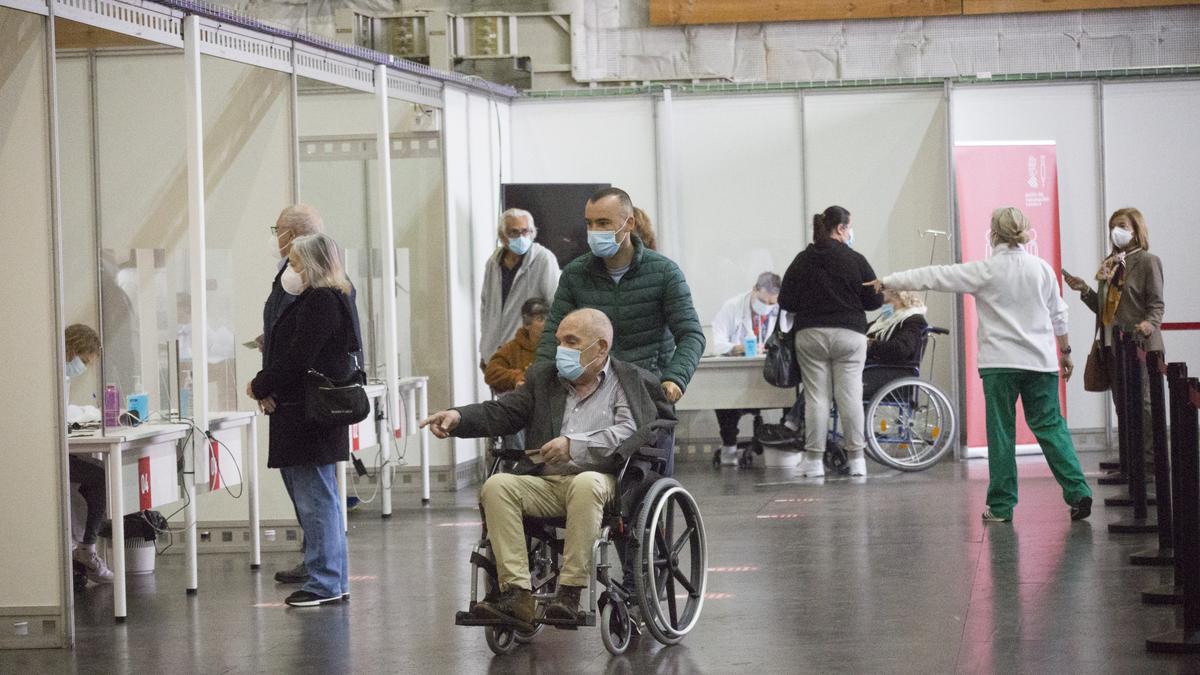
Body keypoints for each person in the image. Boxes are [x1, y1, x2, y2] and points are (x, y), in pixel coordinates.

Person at [420, 309, 673, 627]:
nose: (561, 350)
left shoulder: (630, 382)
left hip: (606, 482)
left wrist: (573, 444)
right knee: (497, 486)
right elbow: (503, 411)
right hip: (549, 481)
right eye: (559, 342)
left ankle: (569, 592)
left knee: (586, 483)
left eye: (571, 341)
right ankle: (516, 594)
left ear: (601, 347)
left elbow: (629, 432)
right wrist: (458, 417)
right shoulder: (544, 378)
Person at [871, 206, 1092, 522]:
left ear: (993, 234)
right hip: (1041, 363)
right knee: (1051, 427)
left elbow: (935, 276)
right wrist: (1066, 351)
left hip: (999, 364)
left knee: (1001, 433)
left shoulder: (984, 271)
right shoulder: (1042, 269)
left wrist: (888, 280)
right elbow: (1059, 314)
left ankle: (1002, 507)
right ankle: (1078, 491)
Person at [248, 233, 360, 606]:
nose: (291, 271)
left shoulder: (320, 301)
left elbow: (299, 357)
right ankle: (332, 578)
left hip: (306, 417)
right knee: (321, 499)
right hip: (306, 415)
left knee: (316, 501)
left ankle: (324, 581)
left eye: (296, 263)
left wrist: (261, 383)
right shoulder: (332, 298)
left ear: (311, 264)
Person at [535, 187, 705, 407]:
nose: (594, 231)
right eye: (589, 223)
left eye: (604, 223)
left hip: (648, 394)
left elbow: (691, 335)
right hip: (590, 395)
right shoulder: (575, 274)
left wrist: (675, 378)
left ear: (630, 223)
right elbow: (552, 335)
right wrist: (536, 383)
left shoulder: (665, 273)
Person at [778, 205, 883, 478]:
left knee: (816, 398)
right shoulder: (856, 259)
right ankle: (857, 460)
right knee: (849, 398)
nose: (850, 232)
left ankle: (813, 461)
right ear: (840, 228)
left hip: (810, 335)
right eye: (848, 227)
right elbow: (874, 300)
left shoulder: (803, 259)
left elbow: (785, 300)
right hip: (850, 335)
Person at [1063, 207, 1163, 466]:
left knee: (1143, 406)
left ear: (1136, 229)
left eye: (1121, 225)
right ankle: (1130, 464)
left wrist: (1148, 324)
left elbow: (1156, 305)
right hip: (1112, 345)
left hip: (1139, 345)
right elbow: (1105, 308)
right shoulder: (1110, 262)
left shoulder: (1148, 261)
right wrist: (1085, 290)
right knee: (1123, 407)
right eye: (1112, 227)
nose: (1115, 231)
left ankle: (1150, 465)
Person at [711, 272, 781, 466]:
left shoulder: (781, 311)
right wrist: (735, 348)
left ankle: (786, 447)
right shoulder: (732, 307)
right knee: (723, 397)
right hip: (738, 380)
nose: (766, 308)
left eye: (771, 304)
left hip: (771, 376)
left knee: (791, 395)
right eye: (762, 301)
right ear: (754, 289)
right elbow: (716, 343)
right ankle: (729, 447)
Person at [479, 208, 561, 371]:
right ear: (503, 236)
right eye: (514, 233)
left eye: (525, 231)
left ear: (533, 233)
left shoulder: (543, 259)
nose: (521, 237)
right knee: (502, 396)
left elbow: (556, 304)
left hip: (527, 354)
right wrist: (484, 350)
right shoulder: (493, 263)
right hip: (495, 353)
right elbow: (485, 308)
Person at [63, 323, 113, 584]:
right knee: (100, 477)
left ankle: (84, 546)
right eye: (82, 361)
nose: (82, 367)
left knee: (97, 474)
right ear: (71, 348)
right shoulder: (53, 372)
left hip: (63, 448)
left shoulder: (63, 375)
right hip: (50, 455)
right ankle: (86, 548)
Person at [485, 297, 549, 394]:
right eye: (540, 319)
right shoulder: (512, 348)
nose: (547, 323)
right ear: (527, 324)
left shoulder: (558, 346)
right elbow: (491, 372)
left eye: (549, 319)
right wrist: (516, 377)